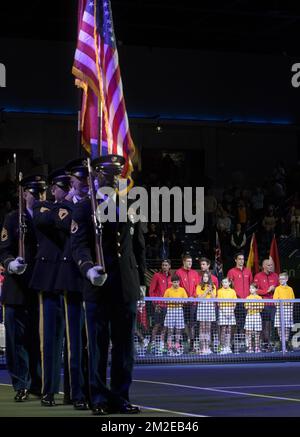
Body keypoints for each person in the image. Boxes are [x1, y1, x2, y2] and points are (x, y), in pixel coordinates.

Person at [71, 154, 146, 415]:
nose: (113, 180)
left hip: (125, 285)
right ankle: (99, 398)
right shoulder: (83, 208)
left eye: (116, 175)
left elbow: (138, 248)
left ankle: (120, 398)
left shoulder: (129, 205)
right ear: (95, 176)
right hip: (98, 285)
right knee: (98, 346)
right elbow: (78, 245)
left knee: (125, 348)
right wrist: (88, 269)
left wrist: (141, 281)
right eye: (107, 175)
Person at [0, 175, 46, 401]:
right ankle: (21, 384)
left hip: (38, 288)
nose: (36, 197)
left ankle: (38, 382)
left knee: (36, 339)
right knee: (15, 341)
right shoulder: (11, 219)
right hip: (16, 289)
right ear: (24, 194)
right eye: (32, 193)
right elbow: (4, 249)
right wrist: (10, 264)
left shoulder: (46, 218)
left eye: (40, 193)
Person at [51, 162, 89, 410]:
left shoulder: (93, 205)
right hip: (73, 279)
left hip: (93, 278)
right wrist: (77, 202)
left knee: (92, 341)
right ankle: (76, 392)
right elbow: (62, 225)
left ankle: (91, 389)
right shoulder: (63, 207)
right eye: (77, 182)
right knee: (74, 340)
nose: (80, 185)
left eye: (84, 182)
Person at [30, 169, 69, 407]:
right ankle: (49, 390)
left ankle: (74, 391)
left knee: (73, 343)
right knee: (50, 341)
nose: (52, 192)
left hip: (70, 279)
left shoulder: (73, 208)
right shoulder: (44, 208)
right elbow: (43, 219)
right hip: (49, 280)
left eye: (56, 188)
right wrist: (62, 206)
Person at [176, 254, 200, 352]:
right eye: (188, 261)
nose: (190, 263)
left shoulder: (195, 273)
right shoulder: (178, 272)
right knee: (182, 324)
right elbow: (178, 287)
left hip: (193, 303)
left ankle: (192, 344)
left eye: (191, 262)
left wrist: (193, 296)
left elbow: (197, 287)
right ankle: (180, 345)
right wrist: (185, 297)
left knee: (192, 324)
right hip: (182, 304)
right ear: (184, 262)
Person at [254, 259, 278, 351]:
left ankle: (272, 343)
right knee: (265, 325)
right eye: (268, 265)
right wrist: (267, 291)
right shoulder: (258, 276)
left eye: (271, 265)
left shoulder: (275, 276)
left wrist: (274, 289)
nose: (270, 266)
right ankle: (265, 344)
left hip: (275, 304)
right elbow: (255, 290)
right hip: (264, 305)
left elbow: (280, 288)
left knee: (273, 325)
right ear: (263, 266)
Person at [149, 259, 172, 353]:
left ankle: (161, 344)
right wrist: (156, 303)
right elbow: (151, 290)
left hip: (169, 306)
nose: (164, 267)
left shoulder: (171, 277)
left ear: (169, 266)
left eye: (166, 265)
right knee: (157, 325)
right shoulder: (156, 276)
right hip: (159, 305)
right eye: (163, 265)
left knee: (165, 326)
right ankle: (153, 344)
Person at [227, 252, 253, 335]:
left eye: (243, 259)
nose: (241, 261)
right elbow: (229, 286)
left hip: (247, 301)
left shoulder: (248, 271)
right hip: (237, 301)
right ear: (235, 260)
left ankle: (244, 340)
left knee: (247, 321)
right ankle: (236, 339)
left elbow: (251, 285)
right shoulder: (231, 271)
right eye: (239, 259)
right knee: (236, 321)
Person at [163, 274, 188, 356]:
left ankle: (177, 346)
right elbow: (164, 301)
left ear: (179, 282)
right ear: (171, 282)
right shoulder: (168, 291)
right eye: (174, 282)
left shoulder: (182, 290)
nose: (176, 283)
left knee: (178, 330)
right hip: (170, 311)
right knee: (170, 330)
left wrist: (179, 301)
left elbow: (186, 300)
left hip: (179, 311)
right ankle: (169, 346)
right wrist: (172, 301)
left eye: (177, 282)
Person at [196, 272, 216, 355]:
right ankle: (202, 347)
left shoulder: (213, 286)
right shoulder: (199, 286)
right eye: (204, 276)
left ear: (209, 278)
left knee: (208, 328)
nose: (205, 278)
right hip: (202, 306)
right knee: (202, 328)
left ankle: (207, 347)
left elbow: (214, 298)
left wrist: (210, 291)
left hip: (210, 306)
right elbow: (199, 298)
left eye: (206, 276)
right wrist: (206, 291)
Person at [273, 272, 295, 351]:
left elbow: (292, 301)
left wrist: (291, 312)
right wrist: (279, 307)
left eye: (282, 279)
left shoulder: (290, 289)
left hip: (288, 309)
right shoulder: (277, 289)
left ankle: (285, 342)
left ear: (286, 279)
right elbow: (275, 301)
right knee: (279, 327)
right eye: (280, 279)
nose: (281, 280)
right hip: (279, 309)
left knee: (287, 327)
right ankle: (282, 342)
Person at [217, 277, 237, 354]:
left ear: (229, 283)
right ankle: (222, 347)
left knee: (229, 329)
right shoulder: (219, 291)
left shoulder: (233, 291)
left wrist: (231, 310)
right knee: (223, 329)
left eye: (225, 282)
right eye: (223, 282)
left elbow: (234, 302)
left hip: (231, 310)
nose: (224, 284)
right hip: (222, 310)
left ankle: (227, 346)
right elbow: (219, 303)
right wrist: (224, 312)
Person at [244, 283, 264, 353]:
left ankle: (257, 347)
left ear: (256, 289)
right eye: (250, 288)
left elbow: (261, 307)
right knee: (248, 332)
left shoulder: (259, 298)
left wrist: (253, 307)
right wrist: (254, 306)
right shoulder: (248, 298)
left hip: (257, 315)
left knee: (257, 332)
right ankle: (250, 347)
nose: (250, 290)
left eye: (252, 288)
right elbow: (246, 307)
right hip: (249, 315)